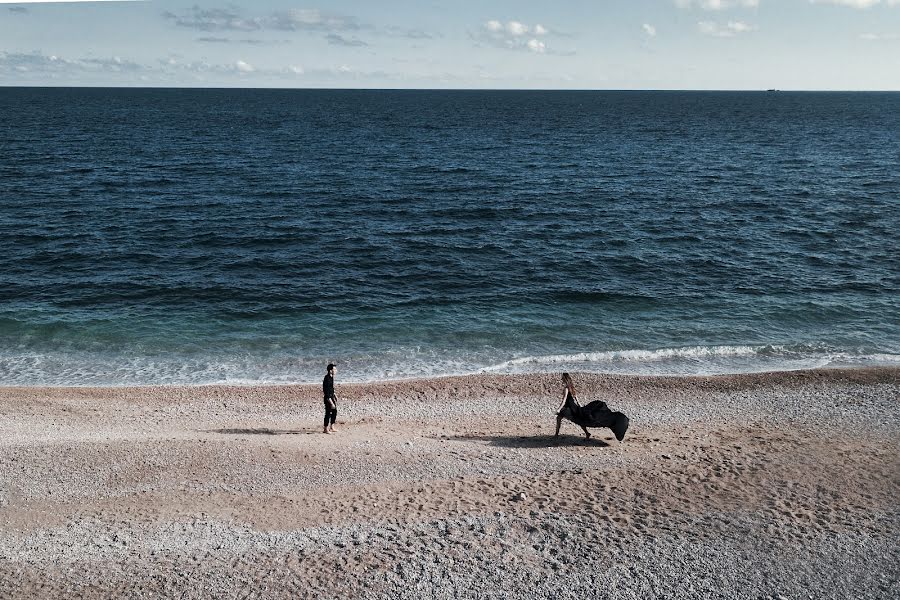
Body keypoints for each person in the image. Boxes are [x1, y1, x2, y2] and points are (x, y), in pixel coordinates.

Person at [556, 372, 591, 438]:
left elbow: (564, 400)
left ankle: (556, 435)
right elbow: (576, 398)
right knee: (578, 420)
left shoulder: (566, 389)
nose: (561, 379)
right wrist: (580, 406)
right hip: (573, 406)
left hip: (569, 408)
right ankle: (587, 433)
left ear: (565, 379)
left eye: (562, 378)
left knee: (560, 418)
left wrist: (559, 409)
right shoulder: (571, 387)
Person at [322, 363, 338, 434]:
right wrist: (331, 402)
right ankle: (325, 428)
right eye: (334, 369)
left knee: (334, 411)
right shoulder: (327, 378)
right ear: (330, 370)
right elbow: (326, 391)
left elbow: (331, 388)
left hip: (331, 396)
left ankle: (332, 426)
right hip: (328, 398)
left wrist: (334, 394)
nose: (336, 370)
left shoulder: (331, 377)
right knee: (328, 413)